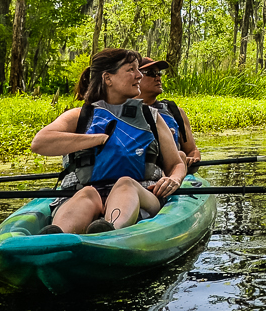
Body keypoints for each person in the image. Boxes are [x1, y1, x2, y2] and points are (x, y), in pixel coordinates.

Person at [29, 47, 187, 234]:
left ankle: (109, 231)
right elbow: (39, 143)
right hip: (85, 192)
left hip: (141, 194)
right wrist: (97, 139)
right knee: (87, 193)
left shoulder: (151, 117)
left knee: (125, 184)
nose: (139, 76)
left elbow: (176, 163)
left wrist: (174, 179)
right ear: (108, 78)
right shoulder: (79, 116)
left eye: (138, 70)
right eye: (131, 70)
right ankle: (57, 239)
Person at [139, 57, 198, 170]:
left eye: (159, 73)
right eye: (151, 73)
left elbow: (192, 150)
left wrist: (192, 159)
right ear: (135, 77)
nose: (158, 78)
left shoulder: (175, 112)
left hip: (174, 173)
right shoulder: (120, 113)